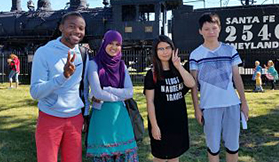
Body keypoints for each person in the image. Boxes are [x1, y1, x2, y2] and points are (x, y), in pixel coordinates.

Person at [30, 12, 89, 162]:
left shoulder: (82, 53)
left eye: (81, 28)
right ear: (61, 27)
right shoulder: (44, 52)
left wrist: (85, 114)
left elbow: (84, 87)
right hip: (49, 118)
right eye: (72, 26)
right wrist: (63, 77)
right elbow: (35, 92)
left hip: (75, 118)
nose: (77, 31)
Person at [189, 13, 249, 162]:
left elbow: (237, 77)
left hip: (232, 104)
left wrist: (244, 103)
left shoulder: (230, 50)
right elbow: (193, 85)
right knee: (213, 148)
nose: (211, 32)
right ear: (200, 31)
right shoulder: (196, 54)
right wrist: (197, 108)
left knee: (233, 146)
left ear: (219, 29)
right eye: (207, 29)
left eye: (214, 28)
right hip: (209, 106)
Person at [86, 30, 139, 161]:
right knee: (105, 154)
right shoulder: (94, 64)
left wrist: (108, 89)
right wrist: (120, 95)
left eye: (118, 44)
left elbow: (130, 92)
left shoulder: (122, 65)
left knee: (124, 154)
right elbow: (97, 92)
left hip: (120, 117)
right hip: (102, 117)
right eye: (111, 43)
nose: (114, 47)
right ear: (104, 43)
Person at [144, 35, 195, 162]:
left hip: (178, 123)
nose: (165, 51)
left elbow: (191, 84)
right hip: (161, 123)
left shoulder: (178, 70)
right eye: (160, 49)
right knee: (160, 157)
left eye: (168, 47)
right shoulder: (152, 74)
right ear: (155, 52)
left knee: (174, 156)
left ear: (173, 49)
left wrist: (178, 66)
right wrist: (154, 126)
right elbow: (150, 102)